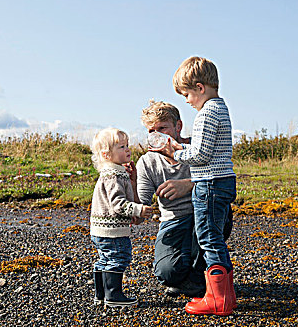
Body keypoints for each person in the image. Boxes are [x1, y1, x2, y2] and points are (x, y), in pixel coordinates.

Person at [152, 56, 237, 316]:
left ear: (200, 88)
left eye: (187, 94)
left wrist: (174, 152)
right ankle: (223, 295)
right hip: (221, 180)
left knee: (209, 239)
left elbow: (200, 155)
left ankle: (218, 300)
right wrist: (183, 148)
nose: (187, 101)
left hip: (209, 183)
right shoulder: (221, 108)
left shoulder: (206, 113)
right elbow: (206, 150)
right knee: (213, 239)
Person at [136, 100, 207, 299]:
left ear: (178, 126)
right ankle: (195, 276)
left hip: (203, 212)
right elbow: (142, 203)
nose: (156, 135)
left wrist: (189, 184)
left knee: (213, 211)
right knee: (166, 273)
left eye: (162, 128)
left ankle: (201, 277)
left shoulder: (197, 148)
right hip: (172, 220)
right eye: (151, 130)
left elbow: (222, 180)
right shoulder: (147, 162)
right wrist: (129, 184)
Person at [89, 127, 153, 307]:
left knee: (105, 259)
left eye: (127, 145)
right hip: (112, 230)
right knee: (118, 257)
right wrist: (138, 209)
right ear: (107, 154)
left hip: (101, 229)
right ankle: (113, 296)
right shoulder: (114, 174)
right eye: (121, 147)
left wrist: (131, 180)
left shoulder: (113, 172)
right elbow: (117, 204)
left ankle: (101, 294)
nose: (127, 150)